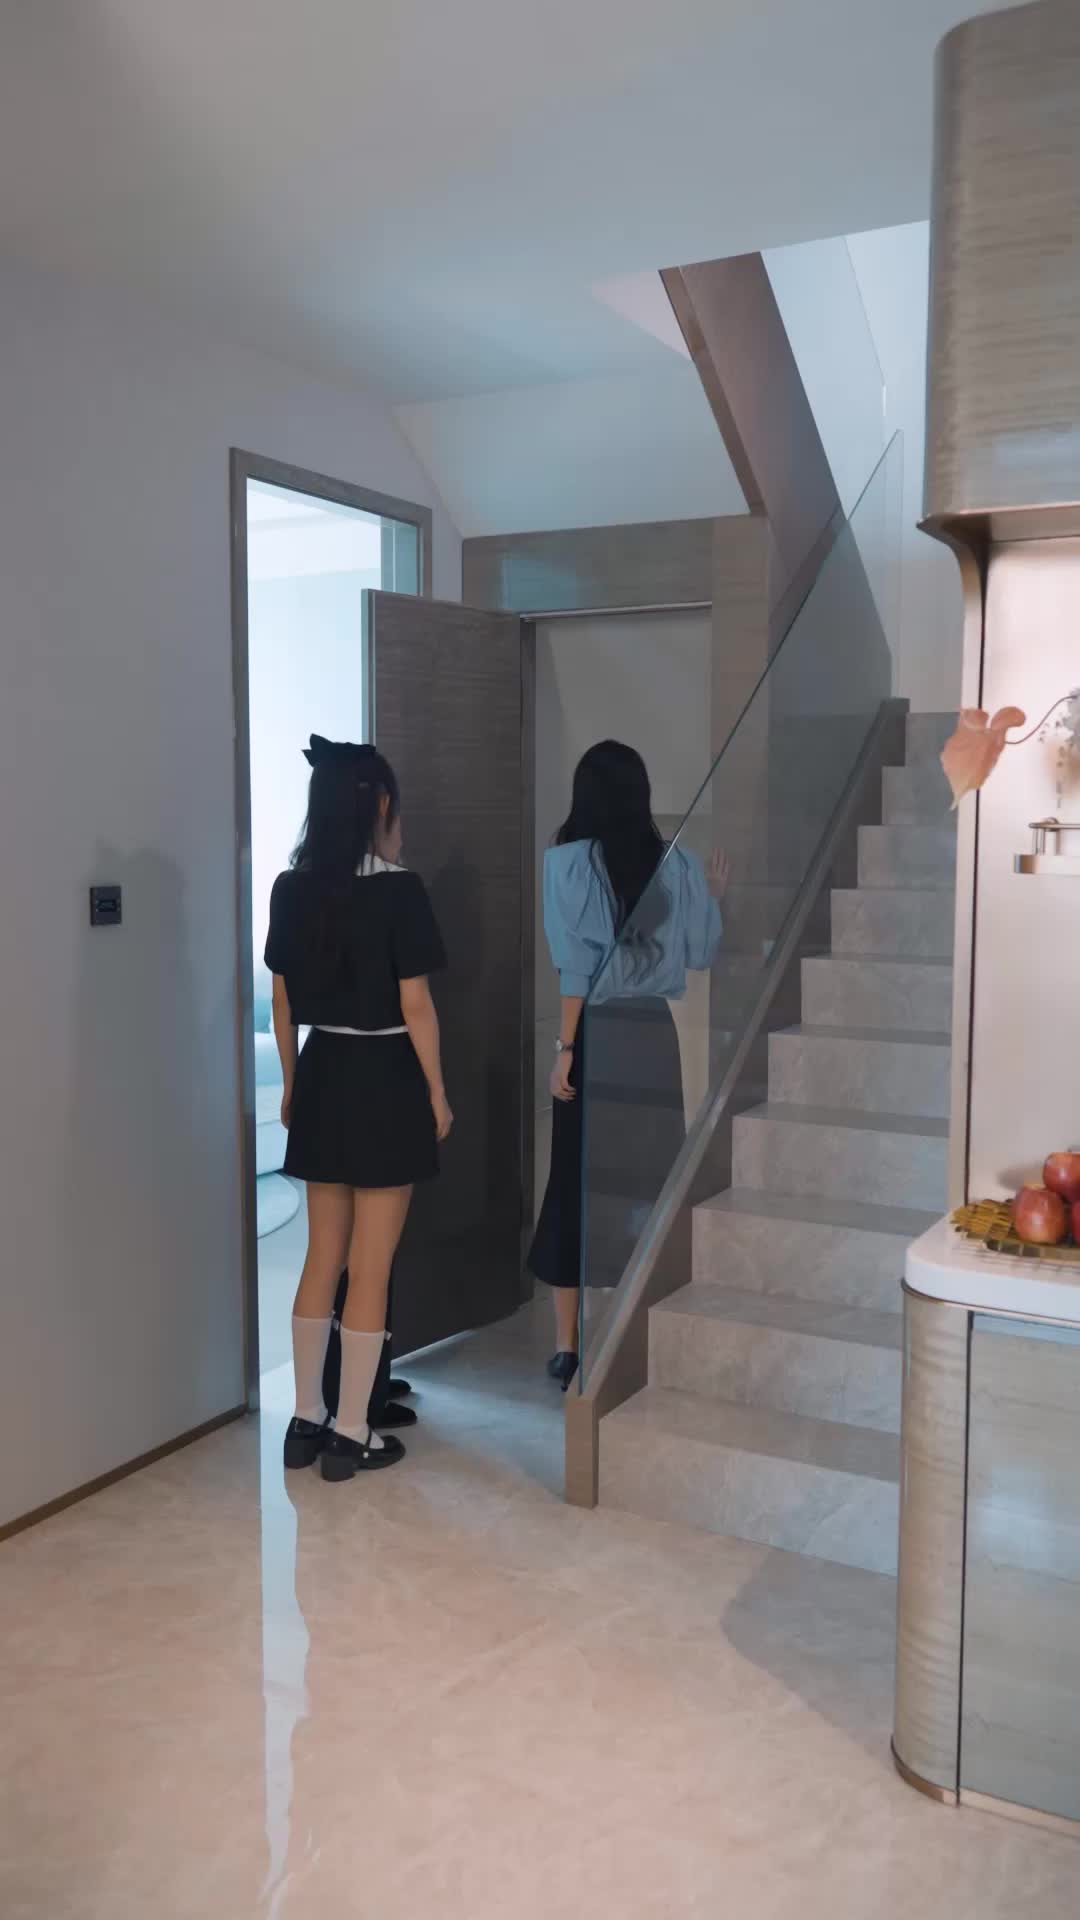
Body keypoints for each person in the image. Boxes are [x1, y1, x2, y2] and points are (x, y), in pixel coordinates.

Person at [265, 735, 452, 1482]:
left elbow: (282, 1004)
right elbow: (417, 1005)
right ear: (378, 806)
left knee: (322, 1257)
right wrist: (436, 1091)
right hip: (385, 1076)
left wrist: (290, 1085)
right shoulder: (400, 890)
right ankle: (351, 1433)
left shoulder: (291, 887)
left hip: (322, 1071)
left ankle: (303, 1421)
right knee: (370, 1268)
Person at [527, 740, 727, 1388]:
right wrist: (712, 896)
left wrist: (565, 1050)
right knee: (645, 1181)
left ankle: (567, 1346)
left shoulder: (568, 864)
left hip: (596, 1031)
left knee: (574, 1179)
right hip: (650, 1036)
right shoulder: (679, 866)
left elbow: (575, 969)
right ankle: (632, 1331)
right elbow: (700, 954)